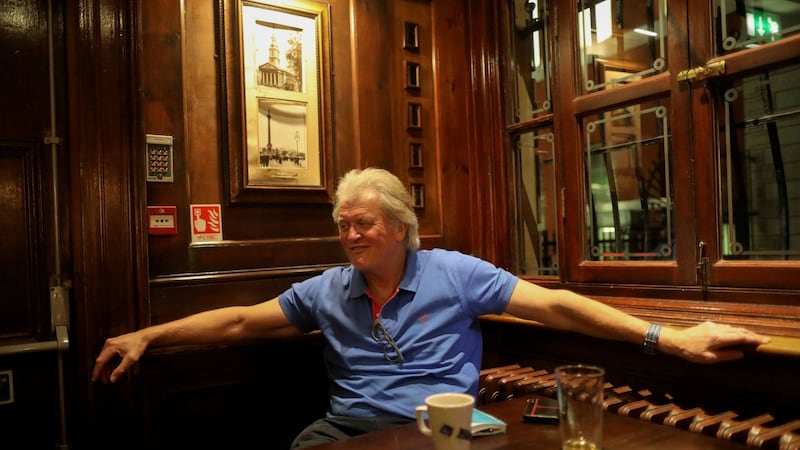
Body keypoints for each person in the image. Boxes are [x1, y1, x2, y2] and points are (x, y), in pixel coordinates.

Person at [92, 167, 770, 449]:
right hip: (351, 431)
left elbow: (557, 307)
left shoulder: (455, 274)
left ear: (401, 228)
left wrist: (666, 336)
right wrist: (151, 334)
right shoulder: (328, 290)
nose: (351, 235)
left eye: (363, 224)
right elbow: (240, 319)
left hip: (450, 436)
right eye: (343, 225)